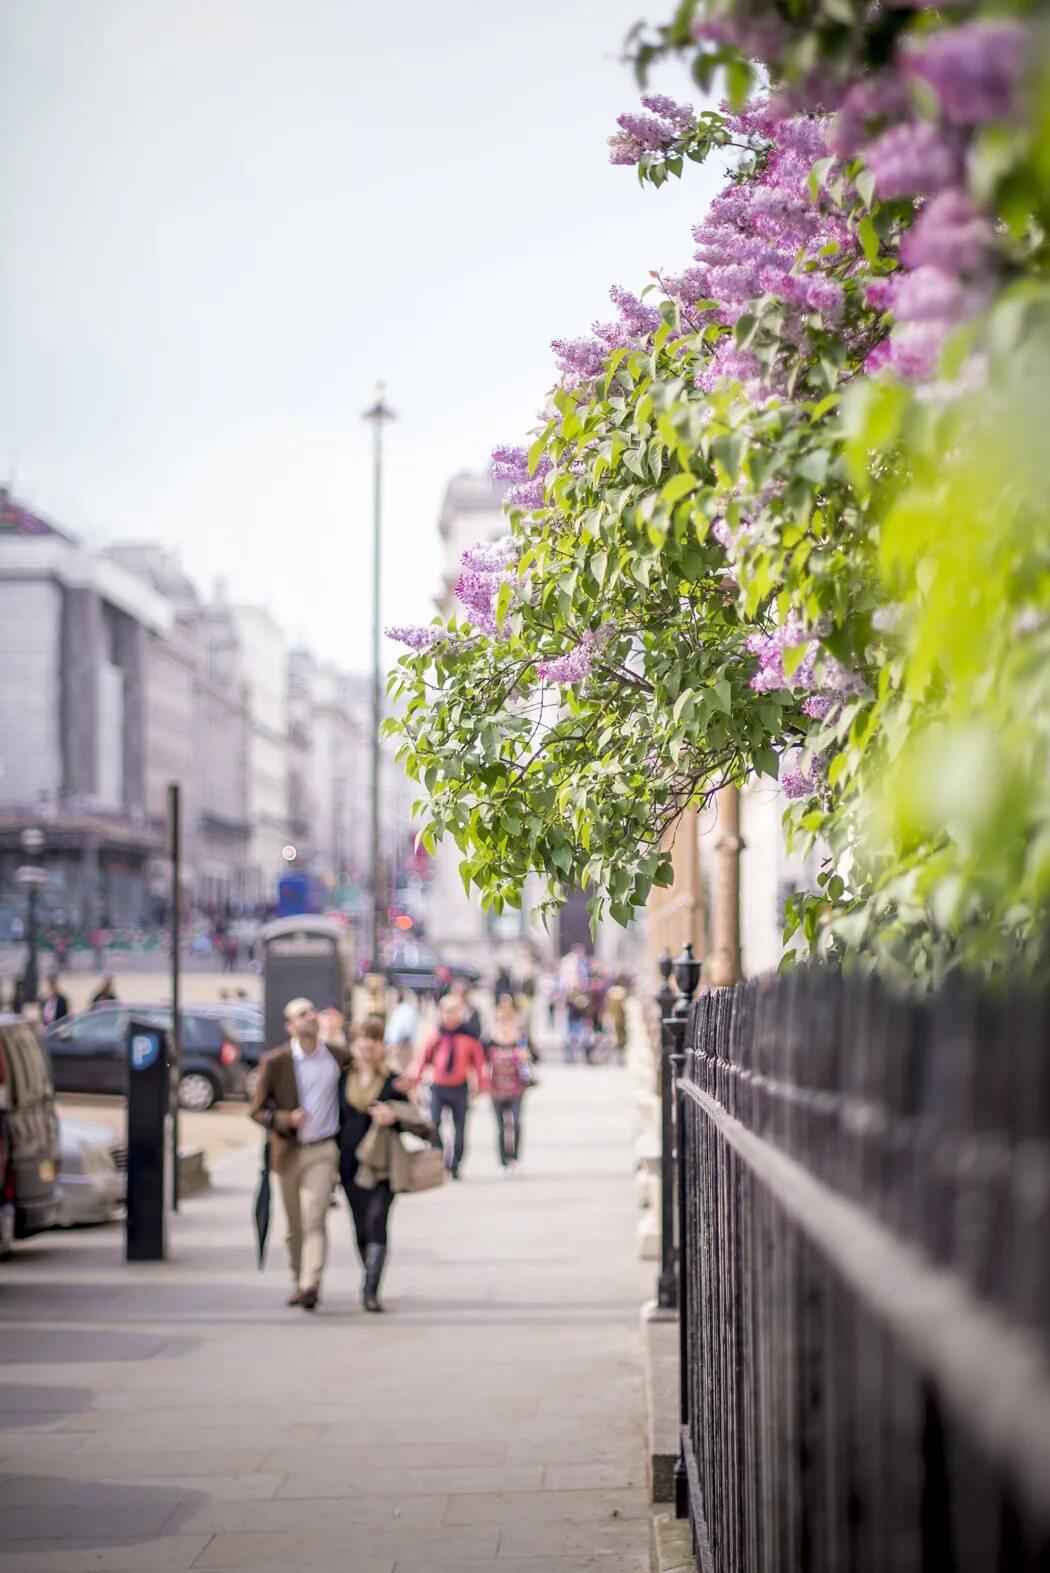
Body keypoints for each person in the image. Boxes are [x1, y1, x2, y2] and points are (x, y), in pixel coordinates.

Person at [249, 997, 351, 1311]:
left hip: (323, 1150)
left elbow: (366, 1077)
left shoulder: (337, 1057)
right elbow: (256, 1111)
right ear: (290, 1025)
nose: (309, 1017)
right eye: (301, 1014)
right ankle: (298, 1278)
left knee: (314, 1217)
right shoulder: (275, 1062)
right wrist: (283, 1119)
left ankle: (311, 1283)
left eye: (311, 1012)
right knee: (293, 1227)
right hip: (289, 1152)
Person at [338, 1017, 433, 1311]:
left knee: (378, 1217)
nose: (367, 1045)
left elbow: (420, 1124)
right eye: (362, 1039)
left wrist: (394, 1115)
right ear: (354, 1044)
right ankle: (368, 1269)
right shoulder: (342, 1078)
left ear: (382, 1045)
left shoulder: (393, 1081)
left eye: (374, 1039)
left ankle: (371, 1289)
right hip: (349, 1162)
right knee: (359, 1225)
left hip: (383, 1165)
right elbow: (334, 1122)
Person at [409, 995, 488, 1180]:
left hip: (460, 1089)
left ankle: (456, 1163)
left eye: (452, 1011)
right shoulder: (436, 1036)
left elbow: (478, 1063)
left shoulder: (469, 1037)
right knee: (434, 1125)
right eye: (444, 1010)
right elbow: (422, 1060)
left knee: (459, 1130)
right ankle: (440, 1160)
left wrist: (481, 1085)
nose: (447, 1015)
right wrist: (414, 1083)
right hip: (438, 1088)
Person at [484, 996, 536, 1175]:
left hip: (516, 1089)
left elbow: (535, 1056)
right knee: (500, 1126)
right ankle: (503, 1160)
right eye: (501, 1018)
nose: (504, 1022)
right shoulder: (489, 1040)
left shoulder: (521, 1039)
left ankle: (515, 1157)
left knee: (516, 1123)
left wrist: (527, 1056)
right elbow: (480, 1061)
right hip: (496, 1089)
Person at [384, 989, 419, 1073]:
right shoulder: (398, 1009)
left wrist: (398, 1044)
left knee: (401, 1068)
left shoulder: (405, 1010)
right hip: (395, 1043)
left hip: (401, 1044)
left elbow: (405, 1029)